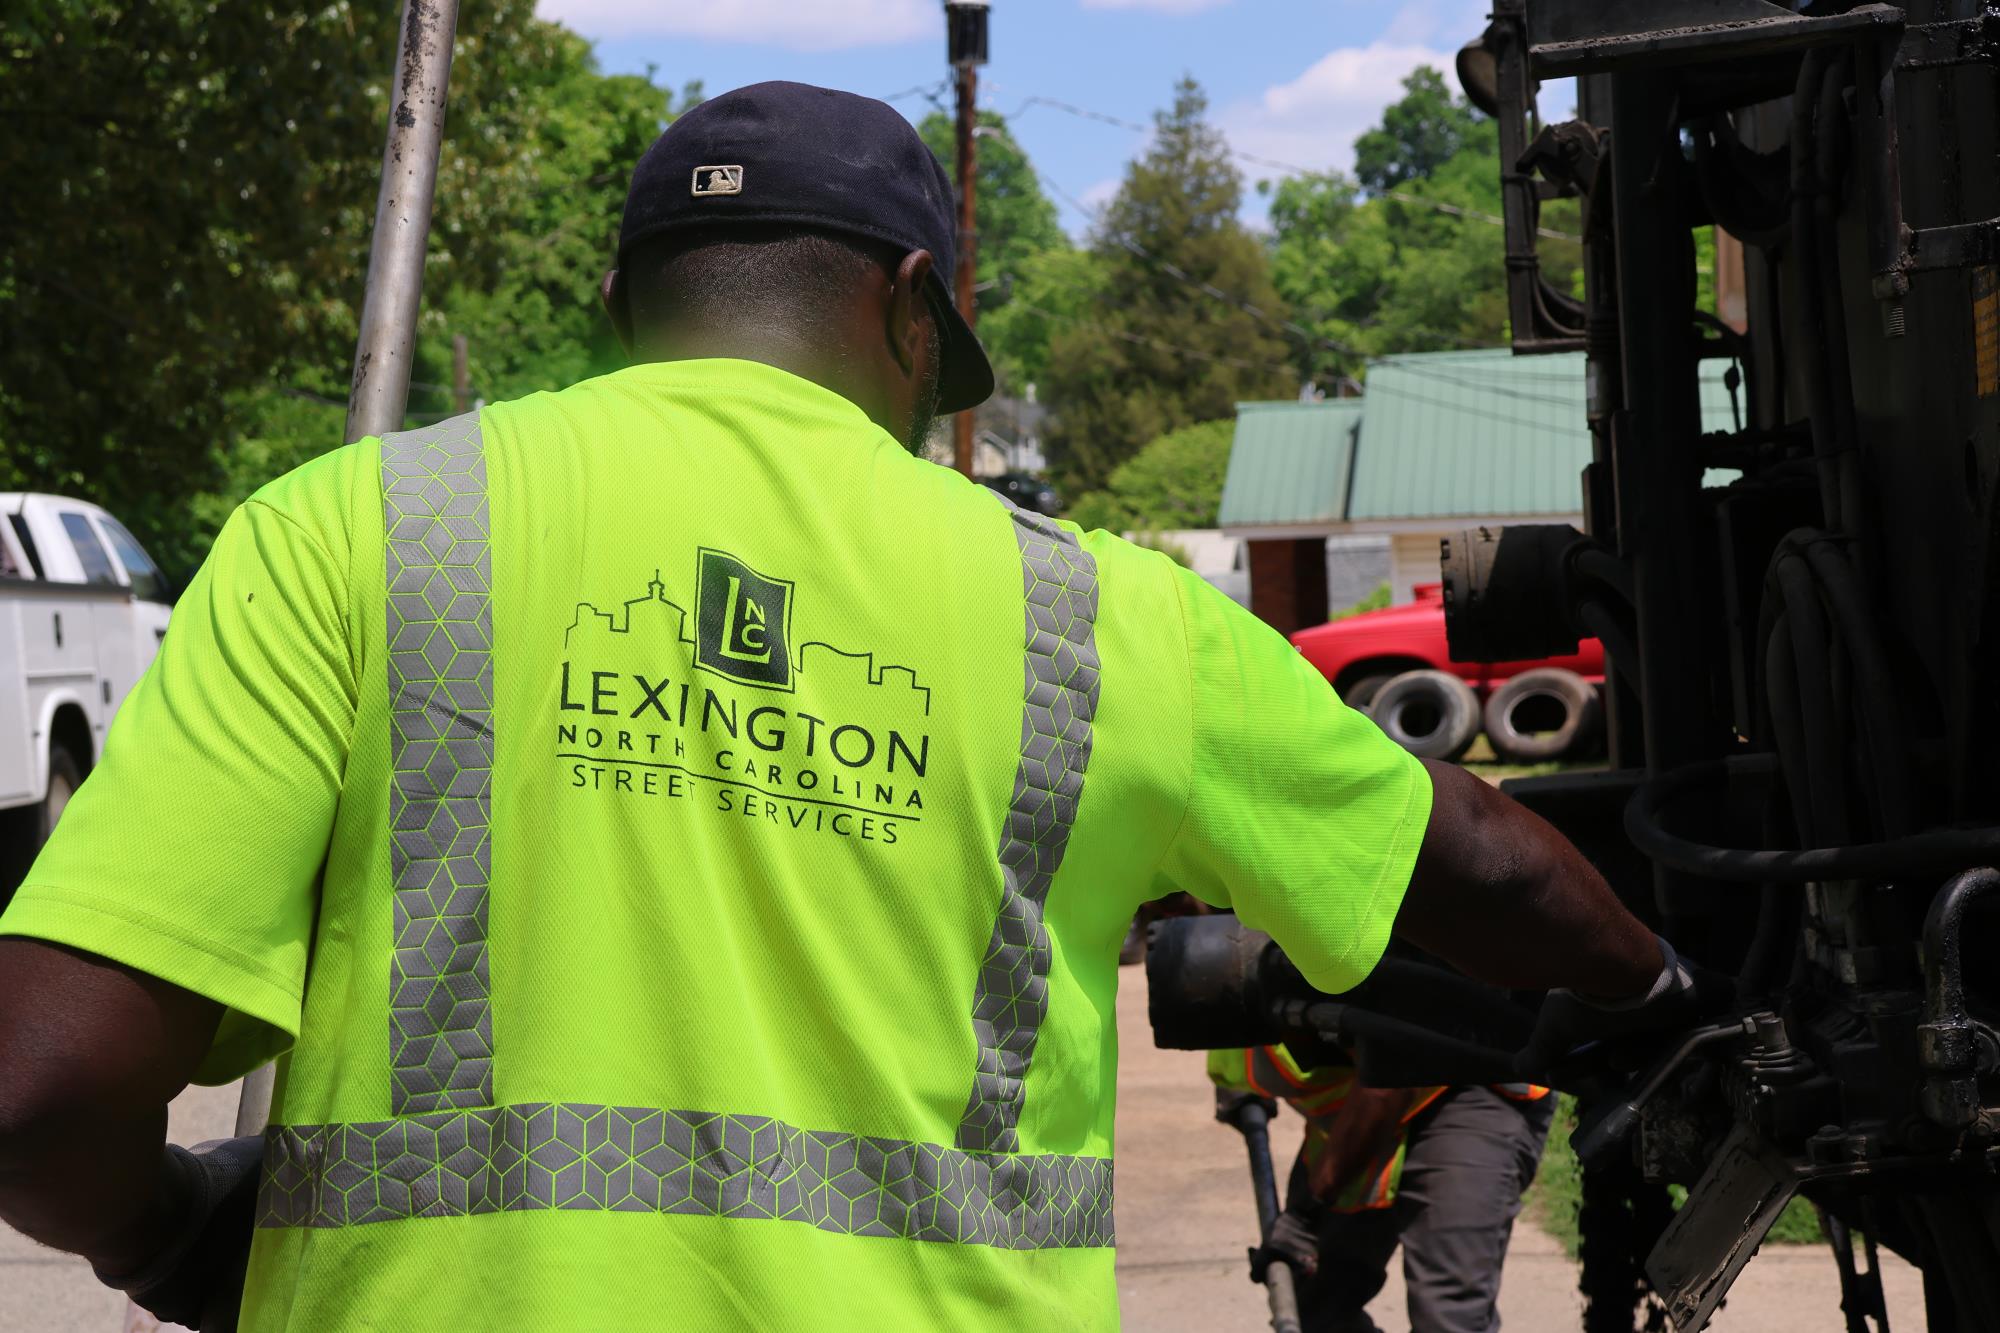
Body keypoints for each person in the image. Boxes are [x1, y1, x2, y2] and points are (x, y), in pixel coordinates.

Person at [0, 81, 1693, 1330]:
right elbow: (1479, 858)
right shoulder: (1094, 612)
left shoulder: (358, 530)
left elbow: (46, 1082)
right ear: (907, 308)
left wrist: (164, 1236)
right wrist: (1660, 983)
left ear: (618, 314)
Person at [1212, 1044, 1553, 1333]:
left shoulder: (1368, 966)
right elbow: (1217, 981)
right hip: (1360, 1101)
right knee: (1317, 1305)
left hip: (1467, 1085)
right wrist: (1235, 1057)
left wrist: (1305, 1215)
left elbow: (1386, 1084)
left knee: (1448, 1317)